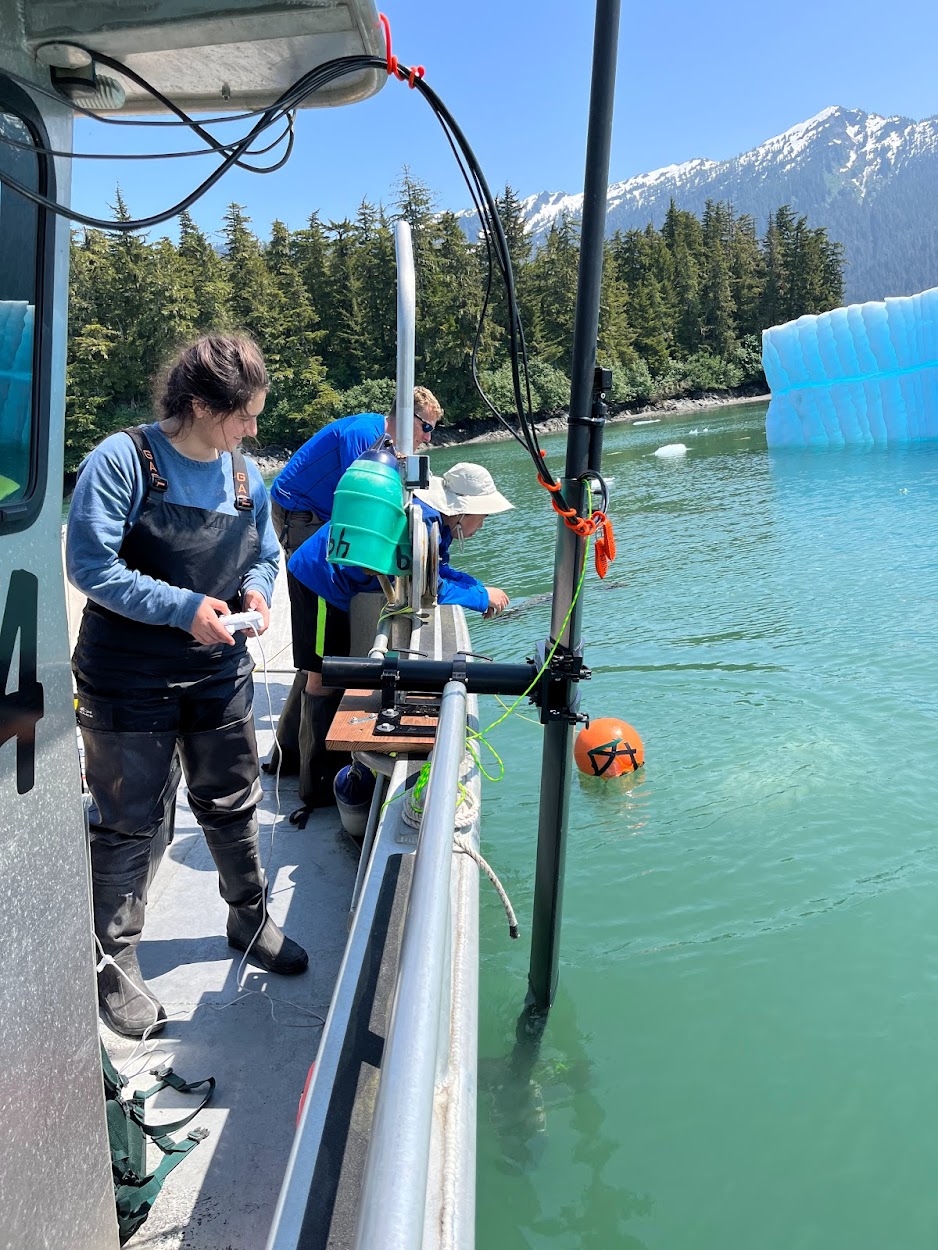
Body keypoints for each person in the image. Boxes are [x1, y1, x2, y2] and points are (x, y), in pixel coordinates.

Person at [67, 333, 307, 1039]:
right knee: (127, 821)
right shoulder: (123, 459)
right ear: (200, 405)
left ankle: (248, 919)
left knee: (232, 801)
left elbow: (266, 554)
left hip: (217, 672)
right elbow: (90, 565)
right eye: (243, 416)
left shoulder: (245, 475)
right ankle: (115, 963)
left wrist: (257, 591)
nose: (252, 431)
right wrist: (184, 609)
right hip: (126, 677)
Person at [286, 462, 513, 811]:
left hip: (331, 586)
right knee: (320, 676)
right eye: (482, 516)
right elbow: (430, 585)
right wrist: (482, 598)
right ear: (462, 511)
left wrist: (478, 587)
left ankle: (293, 758)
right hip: (317, 581)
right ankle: (315, 785)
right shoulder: (422, 522)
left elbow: (435, 570)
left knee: (320, 671)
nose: (482, 524)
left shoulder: (435, 523)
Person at [266, 386, 444, 777]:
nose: (428, 438)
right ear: (405, 417)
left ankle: (285, 757)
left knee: (315, 651)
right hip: (302, 515)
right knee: (319, 649)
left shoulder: (386, 442)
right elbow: (365, 500)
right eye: (426, 427)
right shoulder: (365, 436)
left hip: (321, 517)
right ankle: (313, 776)